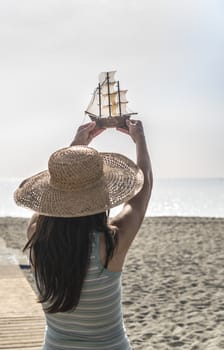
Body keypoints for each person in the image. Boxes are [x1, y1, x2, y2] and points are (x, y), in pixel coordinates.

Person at [14, 119, 153, 350]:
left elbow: (47, 207)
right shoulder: (111, 243)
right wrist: (140, 140)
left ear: (52, 196)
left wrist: (74, 149)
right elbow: (143, 191)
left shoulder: (37, 236)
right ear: (102, 194)